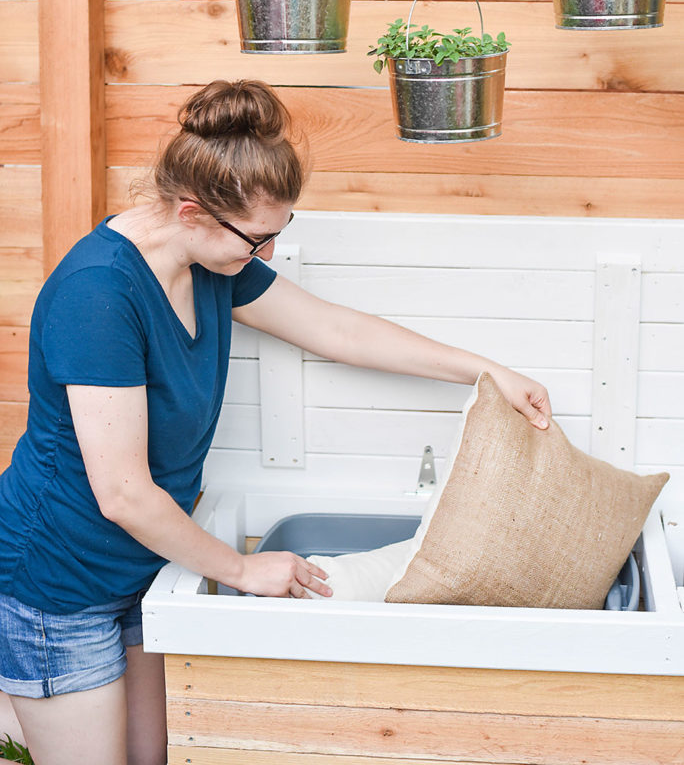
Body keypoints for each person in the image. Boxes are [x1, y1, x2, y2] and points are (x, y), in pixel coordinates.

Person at [0, 79, 551, 765]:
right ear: (192, 211)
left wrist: (489, 372)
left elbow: (335, 329)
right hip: (61, 580)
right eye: (257, 239)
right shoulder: (99, 296)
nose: (264, 255)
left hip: (144, 568)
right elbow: (124, 493)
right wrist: (241, 569)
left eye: (278, 235)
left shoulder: (211, 260)